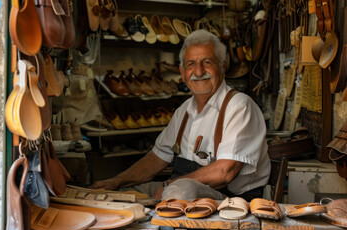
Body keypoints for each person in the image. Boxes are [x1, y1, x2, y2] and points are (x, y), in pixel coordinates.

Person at [91, 29, 270, 204]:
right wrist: (115, 182)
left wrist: (171, 185)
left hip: (229, 200)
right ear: (182, 72)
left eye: (207, 62)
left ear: (222, 66)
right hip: (176, 190)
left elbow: (225, 172)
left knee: (183, 190)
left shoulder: (239, 106)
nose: (199, 72)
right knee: (114, 196)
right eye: (191, 64)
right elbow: (156, 158)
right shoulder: (184, 110)